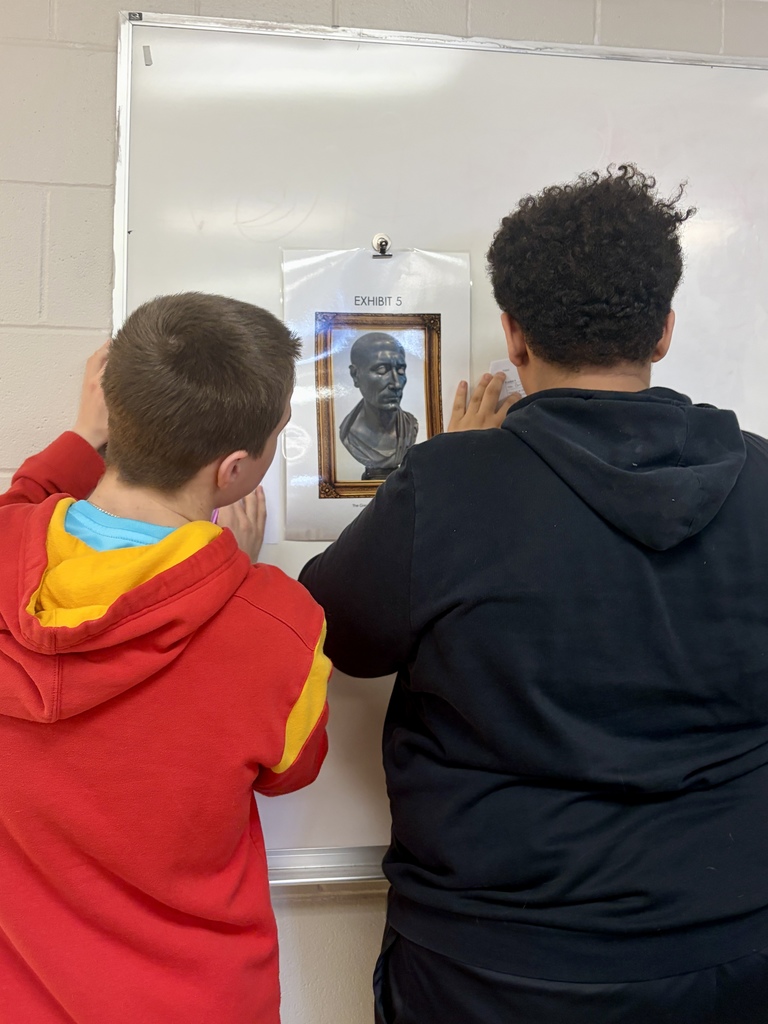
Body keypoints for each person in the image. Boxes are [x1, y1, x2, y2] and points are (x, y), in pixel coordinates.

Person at [299, 166, 768, 1023]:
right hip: (730, 954)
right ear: (664, 330)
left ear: (512, 337)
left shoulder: (448, 485)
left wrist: (442, 470)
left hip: (493, 969)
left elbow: (330, 631)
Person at [0, 293, 331, 1024]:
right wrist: (229, 579)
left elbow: (19, 507)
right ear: (237, 471)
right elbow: (292, 770)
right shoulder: (277, 627)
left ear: (114, 411)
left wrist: (81, 438)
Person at [339, 331, 418, 480]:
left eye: (400, 370)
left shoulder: (410, 426)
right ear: (355, 375)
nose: (396, 383)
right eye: (382, 370)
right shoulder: (350, 433)